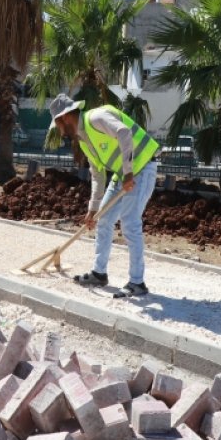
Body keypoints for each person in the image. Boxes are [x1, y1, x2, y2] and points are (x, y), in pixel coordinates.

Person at [48, 93, 159, 297]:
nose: (61, 132)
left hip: (141, 169)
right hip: (122, 174)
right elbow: (98, 175)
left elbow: (124, 133)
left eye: (59, 126)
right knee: (104, 220)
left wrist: (128, 172)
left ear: (64, 117)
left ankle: (137, 282)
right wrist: (92, 210)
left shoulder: (96, 118)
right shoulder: (84, 140)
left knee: (129, 223)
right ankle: (99, 274)